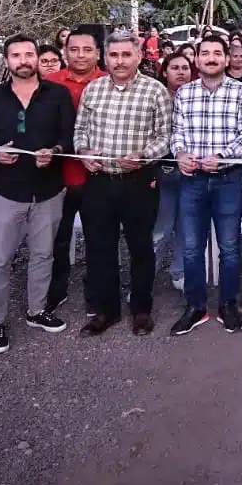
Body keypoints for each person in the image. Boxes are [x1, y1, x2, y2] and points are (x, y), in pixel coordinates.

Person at [0, 36, 76, 355]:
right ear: (7, 61)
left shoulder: (58, 94)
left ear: (38, 58)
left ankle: (37, 310)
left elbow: (68, 135)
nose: (23, 60)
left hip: (48, 188)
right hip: (6, 190)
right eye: (16, 55)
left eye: (29, 54)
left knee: (44, 254)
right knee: (0, 259)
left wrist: (56, 151)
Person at [74, 32, 174, 337]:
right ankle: (107, 310)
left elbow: (166, 136)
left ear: (139, 57)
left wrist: (144, 156)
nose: (120, 61)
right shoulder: (93, 89)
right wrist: (83, 152)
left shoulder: (155, 91)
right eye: (114, 55)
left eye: (126, 55)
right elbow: (80, 130)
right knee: (100, 248)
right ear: (105, 58)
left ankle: (141, 310)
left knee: (140, 247)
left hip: (138, 182)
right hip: (99, 182)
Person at [169, 36, 242, 337]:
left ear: (227, 59)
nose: (211, 58)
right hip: (192, 180)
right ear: (196, 59)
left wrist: (222, 157)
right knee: (193, 248)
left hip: (228, 180)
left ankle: (228, 305)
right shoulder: (185, 93)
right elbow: (176, 132)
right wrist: (181, 154)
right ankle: (196, 307)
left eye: (217, 54)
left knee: (230, 248)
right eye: (205, 53)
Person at [43, 28, 107, 314]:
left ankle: (96, 293)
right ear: (65, 52)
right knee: (58, 239)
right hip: (58, 177)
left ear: (97, 53)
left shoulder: (110, 83)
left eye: (87, 50)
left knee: (99, 239)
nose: (80, 55)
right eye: (74, 49)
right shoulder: (49, 84)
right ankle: (55, 291)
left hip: (98, 176)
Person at [153, 54, 193, 295]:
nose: (181, 72)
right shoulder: (157, 98)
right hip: (163, 173)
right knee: (160, 230)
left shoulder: (196, 97)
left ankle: (179, 272)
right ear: (164, 71)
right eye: (175, 67)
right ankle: (146, 276)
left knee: (186, 229)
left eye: (185, 68)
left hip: (192, 173)